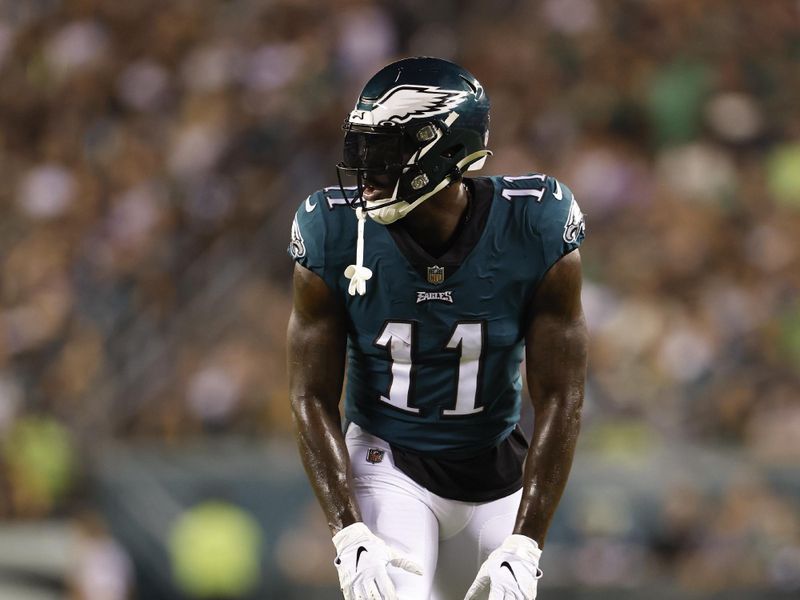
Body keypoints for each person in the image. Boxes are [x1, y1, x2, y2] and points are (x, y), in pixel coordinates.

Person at [287, 56, 587, 600]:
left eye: (383, 155)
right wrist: (348, 531)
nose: (367, 175)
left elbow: (562, 396)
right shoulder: (333, 232)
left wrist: (525, 547)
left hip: (497, 470)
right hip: (389, 460)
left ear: (444, 150)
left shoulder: (534, 226)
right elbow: (310, 395)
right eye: (362, 151)